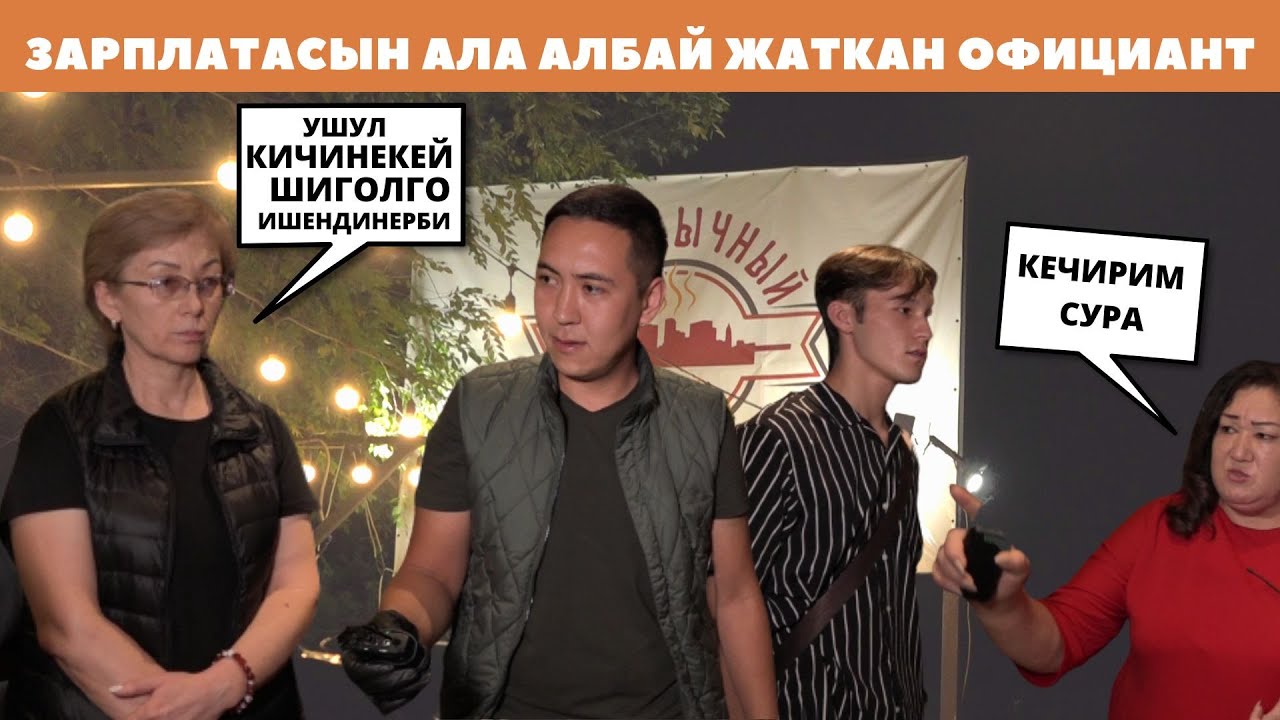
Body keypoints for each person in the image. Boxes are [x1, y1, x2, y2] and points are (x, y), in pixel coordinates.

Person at [337, 183, 778, 719]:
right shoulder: (479, 404)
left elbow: (733, 595)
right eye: (548, 280)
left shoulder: (702, 418)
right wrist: (399, 628)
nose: (562, 312)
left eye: (592, 288)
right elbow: (432, 571)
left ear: (651, 299)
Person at [0, 189, 320, 719]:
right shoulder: (60, 431)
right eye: (165, 282)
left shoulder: (261, 430)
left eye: (209, 282)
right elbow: (66, 625)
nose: (194, 305)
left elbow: (296, 584)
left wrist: (228, 682)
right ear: (108, 298)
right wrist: (177, 710)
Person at [932, 360, 1280, 720]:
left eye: (1264, 435)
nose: (1239, 451)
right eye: (1228, 429)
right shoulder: (1161, 525)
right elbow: (1056, 644)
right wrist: (1001, 603)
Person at [738, 245, 936, 719]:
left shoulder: (901, 457)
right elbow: (724, 602)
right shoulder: (777, 436)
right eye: (905, 310)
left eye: (927, 313)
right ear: (844, 316)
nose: (925, 330)